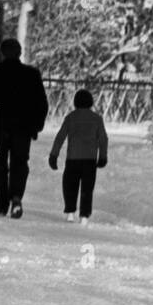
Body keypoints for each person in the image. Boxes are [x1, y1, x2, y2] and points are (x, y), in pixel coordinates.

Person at [0, 38, 48, 219]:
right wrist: (36, 125)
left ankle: (1, 204)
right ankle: (16, 196)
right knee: (20, 163)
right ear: (19, 53)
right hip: (23, 127)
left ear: (1, 53)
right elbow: (41, 102)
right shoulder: (31, 74)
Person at [48, 89, 108, 224]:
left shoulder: (70, 118)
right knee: (87, 188)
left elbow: (60, 137)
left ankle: (70, 212)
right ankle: (84, 215)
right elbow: (103, 139)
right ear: (91, 102)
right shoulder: (97, 119)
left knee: (70, 186)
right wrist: (103, 156)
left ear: (75, 102)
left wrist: (54, 155)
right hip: (90, 160)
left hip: (73, 159)